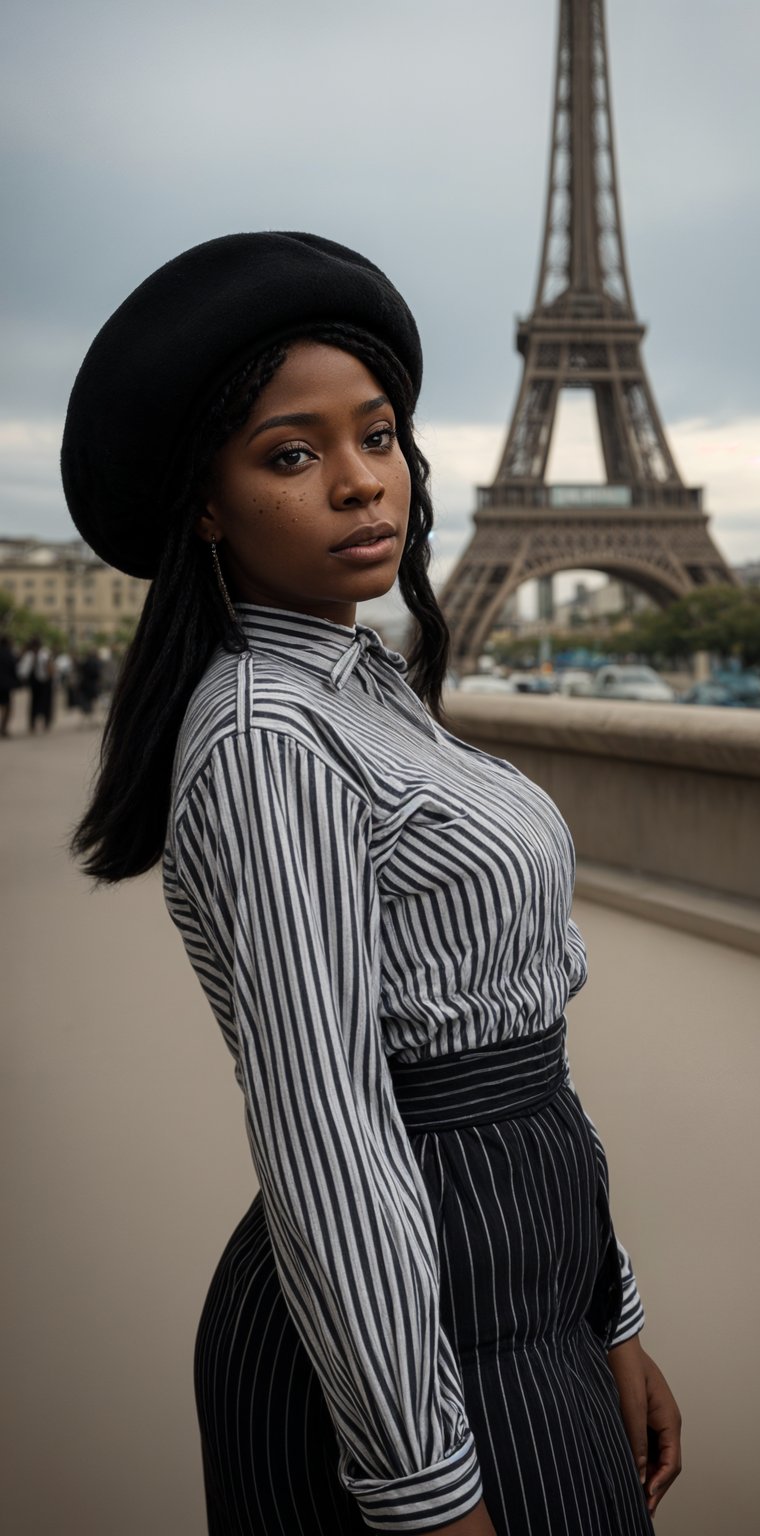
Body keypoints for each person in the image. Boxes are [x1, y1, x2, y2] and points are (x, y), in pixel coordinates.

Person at [64, 232, 681, 1536]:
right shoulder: (269, 737)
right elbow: (328, 1131)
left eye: (379, 436)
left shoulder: (369, 688)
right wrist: (424, 1490)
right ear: (207, 502)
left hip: (520, 1292)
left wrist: (608, 1309)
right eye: (294, 454)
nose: (359, 483)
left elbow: (525, 1067)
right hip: (416, 1339)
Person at [18, 636, 54, 732]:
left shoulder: (45, 654)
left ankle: (46, 721)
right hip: (34, 682)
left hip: (45, 682)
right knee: (34, 703)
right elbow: (23, 669)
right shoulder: (29, 655)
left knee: (46, 703)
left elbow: (50, 668)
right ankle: (32, 723)